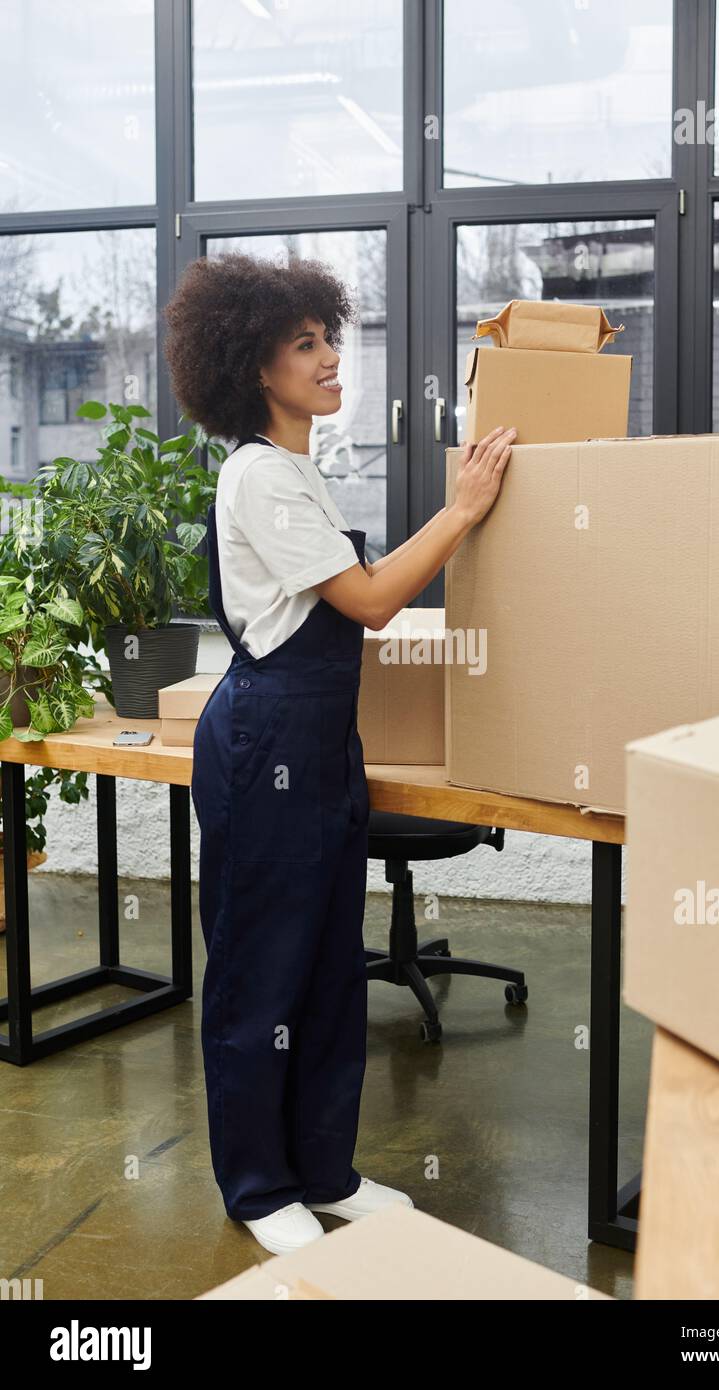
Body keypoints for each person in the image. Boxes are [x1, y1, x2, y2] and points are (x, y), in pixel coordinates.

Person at [162, 251, 515, 1255]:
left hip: (320, 743)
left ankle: (324, 1168)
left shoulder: (298, 470)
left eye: (327, 338)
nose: (327, 360)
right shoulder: (255, 476)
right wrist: (462, 506)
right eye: (301, 345)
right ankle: (258, 1184)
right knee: (258, 974)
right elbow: (364, 602)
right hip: (267, 736)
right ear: (250, 367)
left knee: (325, 968)